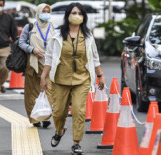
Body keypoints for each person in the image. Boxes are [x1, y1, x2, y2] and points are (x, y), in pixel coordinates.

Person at [40, 2, 104, 155]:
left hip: (82, 80)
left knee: (79, 111)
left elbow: (95, 58)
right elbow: (49, 58)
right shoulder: (57, 36)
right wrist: (43, 77)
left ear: (84, 17)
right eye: (74, 13)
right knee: (59, 113)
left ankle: (76, 143)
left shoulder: (88, 37)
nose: (77, 16)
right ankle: (60, 131)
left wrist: (100, 76)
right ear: (67, 15)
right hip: (60, 80)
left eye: (80, 14)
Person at [19, 3, 54, 128]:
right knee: (32, 92)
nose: (46, 13)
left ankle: (45, 117)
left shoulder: (53, 28)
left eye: (47, 11)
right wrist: (32, 49)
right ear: (38, 12)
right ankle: (35, 119)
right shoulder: (29, 27)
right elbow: (21, 42)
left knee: (48, 91)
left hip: (48, 64)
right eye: (43, 11)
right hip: (32, 64)